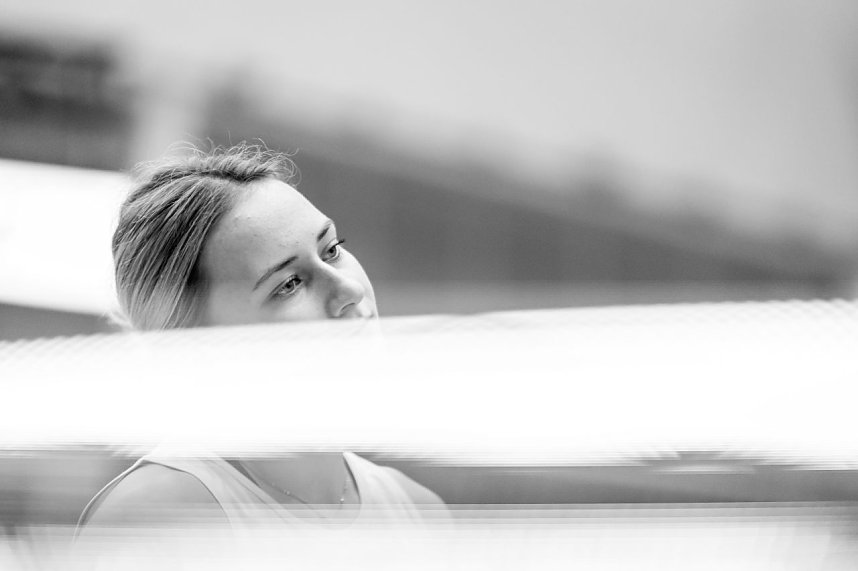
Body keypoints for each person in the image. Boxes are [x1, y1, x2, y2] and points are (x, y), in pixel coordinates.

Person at [77, 143, 446, 535]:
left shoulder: (420, 513)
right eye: (288, 284)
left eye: (332, 249)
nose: (349, 289)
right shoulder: (159, 520)